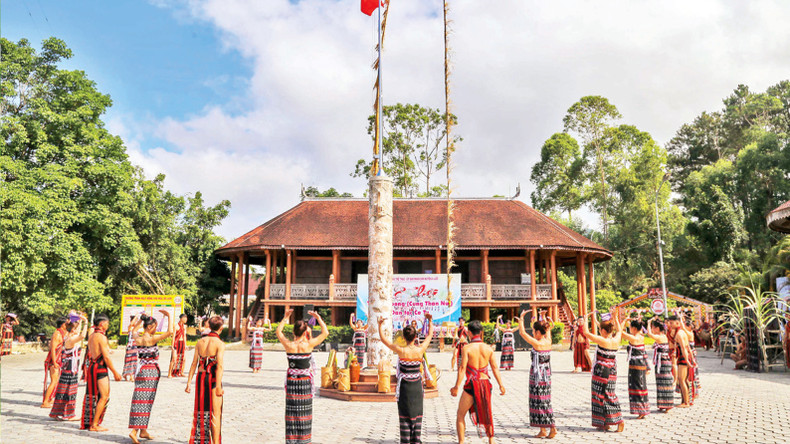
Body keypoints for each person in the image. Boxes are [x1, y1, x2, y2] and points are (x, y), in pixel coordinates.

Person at [378, 313, 435, 444]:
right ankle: (416, 440)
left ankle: (405, 440)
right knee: (417, 414)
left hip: (405, 387)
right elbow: (430, 335)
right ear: (415, 337)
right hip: (417, 387)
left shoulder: (401, 350)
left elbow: (384, 340)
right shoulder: (420, 350)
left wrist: (380, 325)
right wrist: (430, 320)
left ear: (403, 337)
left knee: (404, 415)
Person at [277, 309, 328, 444]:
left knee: (292, 413)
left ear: (293, 332)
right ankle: (304, 440)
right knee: (304, 412)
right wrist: (318, 318)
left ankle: (291, 440)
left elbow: (278, 332)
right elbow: (325, 333)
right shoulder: (309, 345)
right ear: (305, 332)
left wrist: (285, 317)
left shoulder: (289, 345)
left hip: (292, 382)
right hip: (304, 382)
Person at [450, 320, 505, 444]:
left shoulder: (467, 348)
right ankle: (491, 440)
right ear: (481, 332)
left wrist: (456, 387)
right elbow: (495, 367)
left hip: (472, 384)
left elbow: (462, 368)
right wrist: (501, 385)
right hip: (486, 384)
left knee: (460, 414)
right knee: (487, 412)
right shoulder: (488, 348)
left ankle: (461, 442)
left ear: (469, 333)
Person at [128, 310, 174, 443]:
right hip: (150, 371)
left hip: (141, 370)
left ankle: (143, 430)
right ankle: (134, 431)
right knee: (145, 401)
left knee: (139, 399)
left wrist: (141, 319)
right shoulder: (151, 339)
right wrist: (169, 316)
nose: (155, 329)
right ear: (149, 327)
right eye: (154, 326)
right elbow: (170, 332)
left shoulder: (138, 338)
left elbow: (133, 329)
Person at [186, 315, 226, 444]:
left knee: (201, 411)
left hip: (201, 378)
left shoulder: (200, 342)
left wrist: (188, 383)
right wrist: (218, 386)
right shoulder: (220, 344)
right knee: (215, 413)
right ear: (221, 328)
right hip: (213, 378)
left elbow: (194, 363)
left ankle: (202, 440)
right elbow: (219, 366)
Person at [582, 312, 624, 432]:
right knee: (609, 394)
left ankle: (618, 420)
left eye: (600, 329)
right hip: (612, 370)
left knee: (600, 396)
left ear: (604, 331)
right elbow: (619, 330)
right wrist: (615, 318)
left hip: (601, 371)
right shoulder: (616, 339)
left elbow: (586, 333)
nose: (600, 332)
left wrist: (585, 319)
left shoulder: (603, 340)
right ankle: (606, 422)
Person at [518, 310, 556, 439]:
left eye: (534, 331)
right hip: (546, 374)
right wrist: (543, 317)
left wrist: (521, 318)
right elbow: (547, 328)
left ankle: (552, 427)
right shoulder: (548, 340)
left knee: (541, 401)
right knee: (543, 400)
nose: (533, 333)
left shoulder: (538, 343)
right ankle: (543, 430)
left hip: (538, 375)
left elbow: (522, 333)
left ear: (538, 332)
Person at [81, 314, 122, 432]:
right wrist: (115, 372)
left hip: (92, 366)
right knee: (104, 396)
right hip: (100, 367)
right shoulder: (101, 337)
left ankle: (92, 422)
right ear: (102, 324)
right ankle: (94, 424)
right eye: (107, 323)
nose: (108, 325)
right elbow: (106, 357)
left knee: (94, 395)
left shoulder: (92, 336)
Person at [49, 313, 88, 420]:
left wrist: (80, 321)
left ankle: (57, 413)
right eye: (75, 328)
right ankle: (69, 414)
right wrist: (86, 323)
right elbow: (82, 336)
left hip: (68, 367)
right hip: (71, 368)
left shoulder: (68, 336)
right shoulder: (70, 339)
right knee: (70, 391)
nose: (76, 330)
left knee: (63, 390)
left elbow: (78, 332)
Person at [618, 317, 650, 419]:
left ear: (634, 329)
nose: (630, 329)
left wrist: (622, 321)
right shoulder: (640, 336)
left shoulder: (635, 338)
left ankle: (641, 410)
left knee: (637, 386)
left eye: (631, 327)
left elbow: (620, 332)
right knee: (640, 385)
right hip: (639, 364)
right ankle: (642, 409)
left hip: (637, 365)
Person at [667, 315, 695, 407]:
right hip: (684, 356)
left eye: (672, 323)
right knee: (684, 380)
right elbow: (688, 347)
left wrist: (687, 360)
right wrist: (691, 358)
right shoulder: (681, 332)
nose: (670, 325)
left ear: (677, 323)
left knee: (681, 380)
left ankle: (686, 402)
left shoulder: (679, 333)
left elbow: (683, 348)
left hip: (683, 357)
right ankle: (685, 400)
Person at [646, 318, 673, 411]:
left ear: (657, 328)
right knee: (661, 383)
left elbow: (649, 334)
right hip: (661, 362)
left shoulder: (661, 337)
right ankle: (662, 404)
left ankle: (667, 405)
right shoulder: (663, 336)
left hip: (663, 362)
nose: (652, 329)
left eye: (653, 327)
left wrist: (648, 322)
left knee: (665, 383)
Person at [42, 316, 69, 407]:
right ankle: (45, 402)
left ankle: (49, 399)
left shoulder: (62, 333)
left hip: (57, 359)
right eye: (67, 323)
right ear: (63, 324)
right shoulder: (57, 334)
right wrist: (54, 362)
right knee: (53, 381)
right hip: (54, 360)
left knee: (56, 381)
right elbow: (53, 349)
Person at [123, 315, 142, 382]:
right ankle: (127, 374)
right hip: (130, 346)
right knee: (129, 360)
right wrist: (136, 315)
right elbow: (131, 324)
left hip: (135, 346)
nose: (136, 322)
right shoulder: (130, 327)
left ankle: (132, 375)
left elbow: (143, 325)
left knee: (134, 361)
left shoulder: (136, 329)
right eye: (135, 321)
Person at [169, 313, 188, 377]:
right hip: (176, 343)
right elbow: (173, 336)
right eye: (185, 318)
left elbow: (184, 336)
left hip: (182, 343)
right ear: (181, 318)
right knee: (174, 358)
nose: (186, 319)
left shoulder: (185, 326)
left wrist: (185, 345)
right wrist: (172, 345)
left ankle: (181, 372)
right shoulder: (176, 326)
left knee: (183, 358)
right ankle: (169, 373)